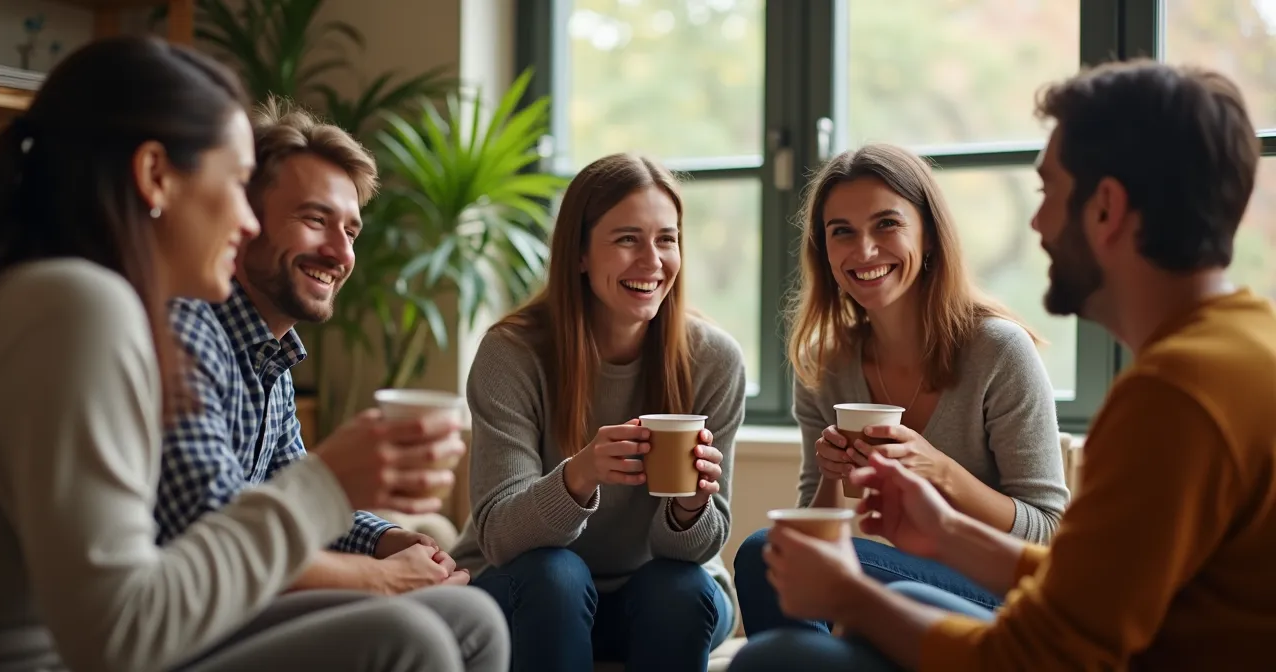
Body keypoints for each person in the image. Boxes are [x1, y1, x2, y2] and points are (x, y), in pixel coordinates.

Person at [0, 36, 506, 672]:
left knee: (467, 619)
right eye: (235, 184)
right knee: (409, 641)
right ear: (155, 176)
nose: (247, 222)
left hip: (109, 637)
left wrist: (371, 529)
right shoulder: (83, 307)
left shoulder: (66, 297)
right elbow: (122, 629)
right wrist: (332, 493)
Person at [729, 59, 1276, 671]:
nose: (1037, 223)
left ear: (1106, 209)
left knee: (772, 660)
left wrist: (855, 593)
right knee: (877, 600)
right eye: (841, 233)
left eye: (1048, 192)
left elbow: (1046, 650)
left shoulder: (1175, 393)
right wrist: (947, 534)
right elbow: (1090, 581)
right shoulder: (1244, 348)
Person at [733, 142, 1070, 635]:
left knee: (797, 556)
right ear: (823, 251)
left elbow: (1048, 532)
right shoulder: (826, 364)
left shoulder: (997, 350)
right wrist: (830, 476)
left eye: (887, 224)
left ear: (929, 235)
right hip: (896, 591)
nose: (864, 250)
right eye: (841, 232)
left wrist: (941, 472)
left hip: (996, 597)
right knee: (769, 557)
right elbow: (816, 526)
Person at [447, 152, 747, 672]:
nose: (652, 261)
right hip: (534, 592)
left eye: (667, 239)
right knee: (556, 577)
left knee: (676, 589)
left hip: (659, 593)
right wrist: (581, 474)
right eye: (627, 239)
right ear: (580, 253)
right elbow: (499, 536)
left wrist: (690, 508)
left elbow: (698, 551)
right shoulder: (512, 354)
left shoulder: (713, 360)